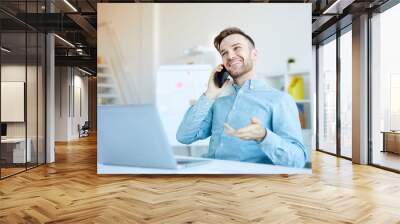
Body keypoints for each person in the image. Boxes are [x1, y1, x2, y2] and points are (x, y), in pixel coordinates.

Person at [176, 27, 308, 168]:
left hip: (249, 184)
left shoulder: (279, 100)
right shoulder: (217, 100)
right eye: (224, 53)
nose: (230, 56)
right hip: (210, 177)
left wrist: (264, 136)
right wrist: (209, 94)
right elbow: (184, 136)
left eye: (236, 48)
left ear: (254, 54)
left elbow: (298, 160)